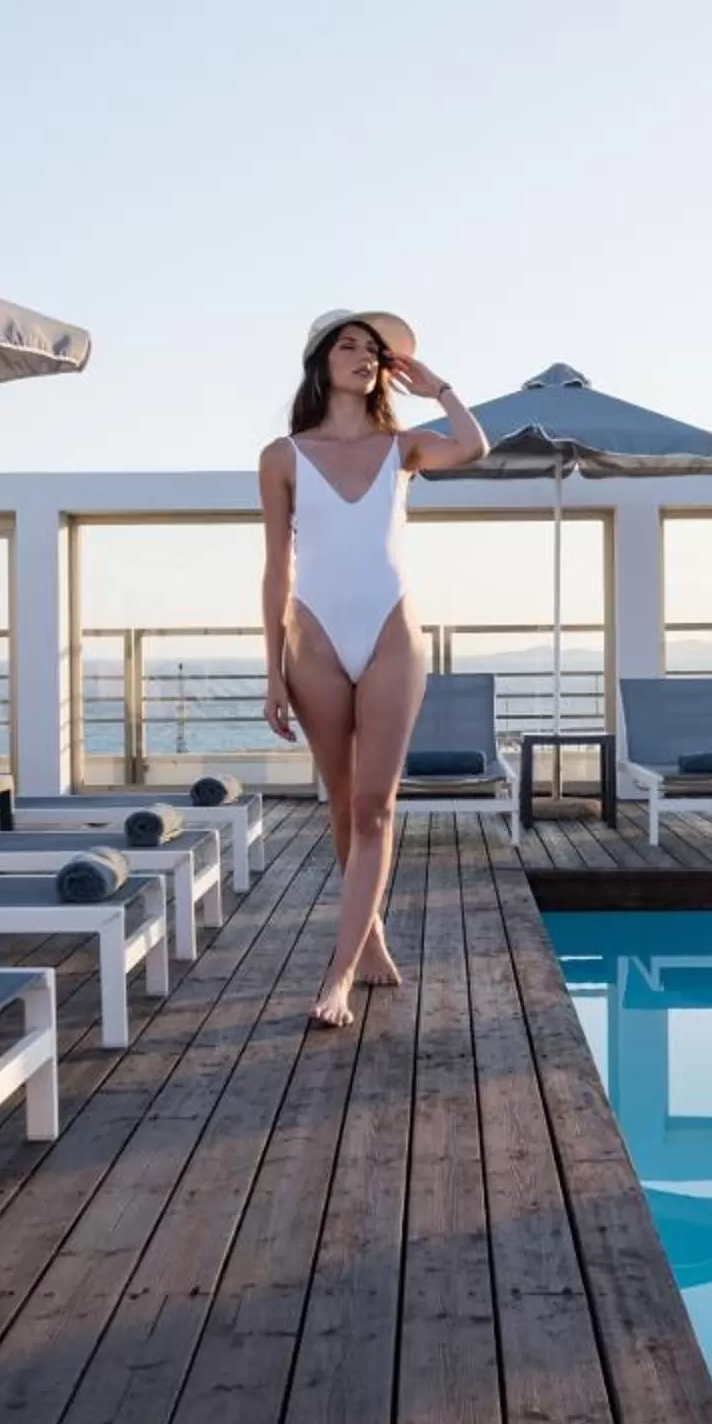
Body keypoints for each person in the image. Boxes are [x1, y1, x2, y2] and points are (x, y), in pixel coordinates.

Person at [260, 309, 490, 1028]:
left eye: (374, 351)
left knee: (376, 807)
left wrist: (437, 387)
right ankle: (372, 935)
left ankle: (339, 975)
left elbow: (474, 447)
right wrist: (272, 671)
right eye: (349, 346)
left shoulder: (404, 447)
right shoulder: (283, 456)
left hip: (392, 633)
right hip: (314, 639)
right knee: (341, 803)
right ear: (321, 362)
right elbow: (276, 569)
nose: (363, 357)